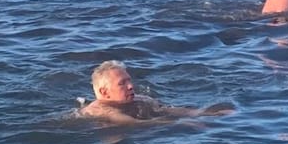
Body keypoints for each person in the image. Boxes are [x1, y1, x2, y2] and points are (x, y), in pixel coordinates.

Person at [76, 60, 224, 124]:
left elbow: (165, 110)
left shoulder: (140, 99)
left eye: (129, 80)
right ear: (104, 92)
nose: (130, 86)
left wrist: (205, 113)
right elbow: (133, 124)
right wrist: (178, 125)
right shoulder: (102, 111)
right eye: (122, 83)